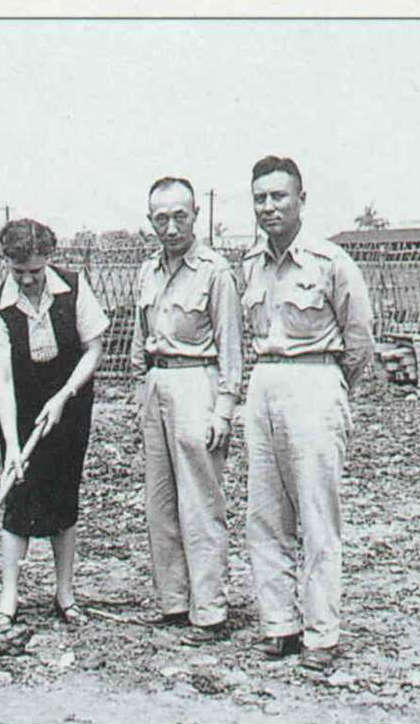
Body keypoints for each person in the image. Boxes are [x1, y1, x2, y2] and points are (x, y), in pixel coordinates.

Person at [241, 156, 374, 671]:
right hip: (265, 381)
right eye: (260, 198)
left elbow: (359, 339)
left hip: (315, 379)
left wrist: (333, 389)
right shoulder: (251, 264)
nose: (269, 207)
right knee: (265, 513)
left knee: (318, 515)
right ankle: (280, 625)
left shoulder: (330, 261)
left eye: (279, 196)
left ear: (301, 199)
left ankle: (322, 633)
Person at [0, 218, 108, 629]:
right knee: (16, 495)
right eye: (19, 271)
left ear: (48, 259)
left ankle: (65, 593)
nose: (28, 279)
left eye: (35, 270)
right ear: (7, 262)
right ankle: (9, 596)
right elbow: (2, 383)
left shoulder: (74, 288)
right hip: (22, 407)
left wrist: (64, 394)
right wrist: (13, 447)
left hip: (70, 404)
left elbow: (94, 349)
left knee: (63, 494)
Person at [130, 177, 243, 645]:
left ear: (196, 215)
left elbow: (231, 346)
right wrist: (140, 389)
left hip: (198, 382)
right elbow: (138, 338)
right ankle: (174, 602)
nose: (171, 227)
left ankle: (210, 610)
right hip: (157, 384)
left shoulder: (215, 272)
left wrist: (224, 409)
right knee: (159, 503)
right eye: (161, 218)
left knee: (200, 502)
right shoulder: (147, 270)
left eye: (180, 216)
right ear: (150, 221)